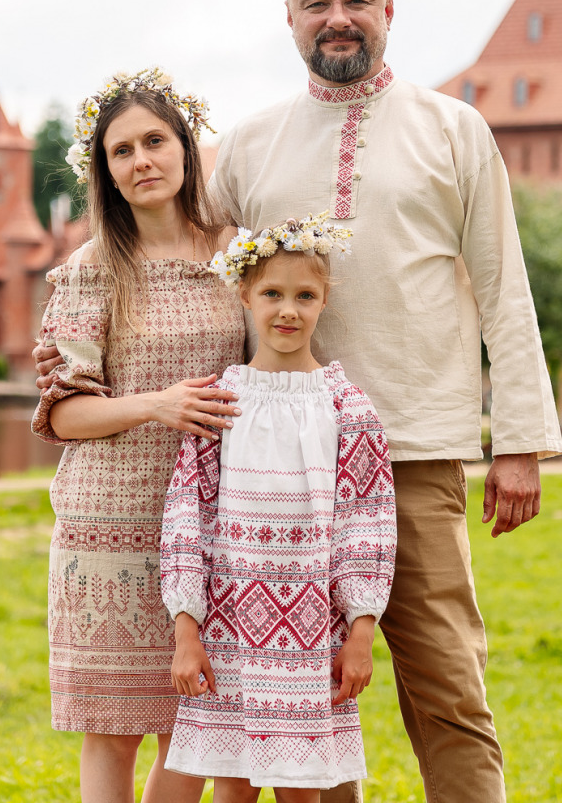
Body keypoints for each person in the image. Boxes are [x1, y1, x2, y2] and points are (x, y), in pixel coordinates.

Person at [36, 0, 561, 801]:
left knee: (449, 691)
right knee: (290, 696)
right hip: (273, 473)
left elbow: (506, 289)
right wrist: (90, 258)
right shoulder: (250, 145)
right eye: (317, 2)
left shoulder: (453, 130)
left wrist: (523, 441)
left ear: (391, 8)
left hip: (417, 448)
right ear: (290, 20)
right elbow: (168, 231)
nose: (338, 17)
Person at [31, 67, 246, 803]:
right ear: (107, 173)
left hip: (216, 519)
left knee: (199, 718)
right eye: (121, 152)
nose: (141, 161)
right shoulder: (92, 270)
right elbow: (64, 415)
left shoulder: (235, 254)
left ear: (186, 148)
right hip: (110, 522)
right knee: (115, 727)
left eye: (155, 141)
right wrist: (156, 405)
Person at [159, 215, 397, 803]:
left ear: (324, 303)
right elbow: (187, 518)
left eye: (304, 296)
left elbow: (368, 524)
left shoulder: (349, 408)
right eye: (272, 293)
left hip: (312, 636)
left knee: (300, 789)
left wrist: (361, 630)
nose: (287, 310)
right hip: (230, 628)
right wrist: (186, 629)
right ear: (244, 295)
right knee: (233, 786)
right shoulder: (218, 404)